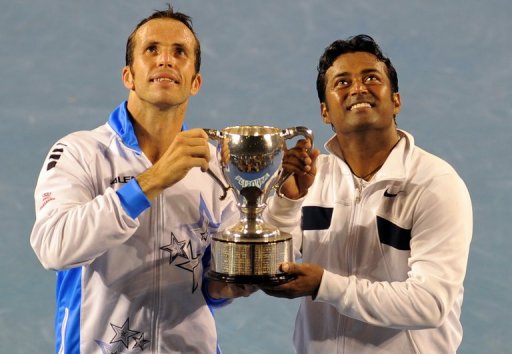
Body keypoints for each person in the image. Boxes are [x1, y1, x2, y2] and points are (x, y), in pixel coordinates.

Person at [30, 6, 315, 353]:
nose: (165, 60)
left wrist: (284, 204)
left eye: (179, 52)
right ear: (128, 76)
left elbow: (215, 286)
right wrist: (151, 181)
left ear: (195, 82)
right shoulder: (80, 152)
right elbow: (54, 247)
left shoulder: (215, 164)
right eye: (151, 50)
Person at [263, 34, 473, 353]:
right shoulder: (309, 177)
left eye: (371, 78)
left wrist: (325, 285)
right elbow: (268, 269)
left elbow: (429, 303)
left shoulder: (436, 183)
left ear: (396, 101)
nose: (358, 88)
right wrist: (287, 202)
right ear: (325, 112)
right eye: (342, 82)